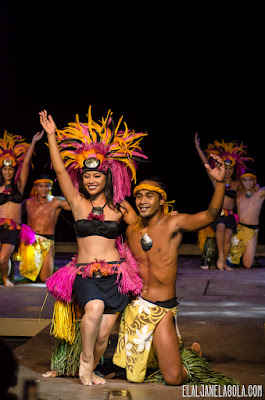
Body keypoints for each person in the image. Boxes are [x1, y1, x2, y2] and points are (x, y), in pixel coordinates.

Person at [39, 107, 147, 386]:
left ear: (107, 176)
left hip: (116, 276)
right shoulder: (77, 203)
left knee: (102, 335)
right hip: (85, 274)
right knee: (94, 308)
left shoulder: (120, 206)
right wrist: (51, 135)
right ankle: (85, 365)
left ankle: (90, 365)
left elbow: (140, 230)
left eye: (96, 176)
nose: (90, 180)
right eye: (87, 176)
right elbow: (60, 169)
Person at [113, 163, 239, 386]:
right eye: (139, 196)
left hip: (162, 309)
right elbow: (109, 194)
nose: (142, 201)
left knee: (174, 379)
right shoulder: (132, 227)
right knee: (134, 378)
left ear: (162, 200)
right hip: (137, 306)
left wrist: (220, 183)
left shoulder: (174, 224)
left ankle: (191, 355)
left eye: (149, 196)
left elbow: (211, 215)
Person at [195, 134, 252, 271]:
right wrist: (198, 148)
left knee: (227, 236)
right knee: (220, 226)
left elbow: (250, 184)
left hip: (231, 215)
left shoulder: (237, 184)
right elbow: (206, 165)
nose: (228, 171)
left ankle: (224, 262)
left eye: (231, 168)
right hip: (218, 214)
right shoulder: (216, 181)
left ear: (234, 169)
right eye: (226, 168)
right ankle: (220, 258)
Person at [0, 130, 44, 286]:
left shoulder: (19, 186)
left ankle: (5, 278)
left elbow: (25, 163)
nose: (7, 172)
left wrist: (33, 141)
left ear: (14, 170)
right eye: (4, 169)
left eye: (10, 169)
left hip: (13, 229)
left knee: (3, 258)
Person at [16, 174, 71, 282]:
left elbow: (76, 205)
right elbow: (13, 211)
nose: (44, 189)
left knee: (45, 278)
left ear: (51, 187)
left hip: (48, 240)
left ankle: (54, 271)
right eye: (41, 186)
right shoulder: (28, 202)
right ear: (36, 187)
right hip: (31, 241)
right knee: (30, 278)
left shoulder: (57, 202)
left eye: (47, 186)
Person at [227, 169, 265, 269]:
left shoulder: (259, 194)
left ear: (254, 181)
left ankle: (247, 257)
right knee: (230, 263)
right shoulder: (238, 193)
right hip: (240, 229)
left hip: (252, 230)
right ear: (241, 181)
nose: (247, 183)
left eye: (250, 180)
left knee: (247, 265)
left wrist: (257, 186)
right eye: (245, 180)